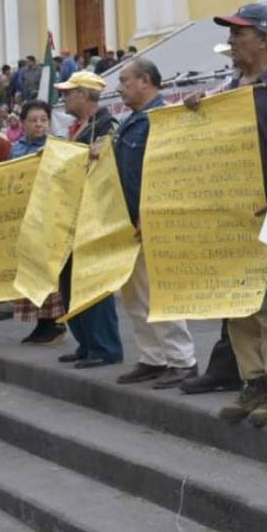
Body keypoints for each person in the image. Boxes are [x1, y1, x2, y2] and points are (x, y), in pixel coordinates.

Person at [186, 4, 267, 420]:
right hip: (232, 220)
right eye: (232, 33)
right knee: (238, 307)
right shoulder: (228, 93)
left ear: (265, 38)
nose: (233, 41)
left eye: (240, 33)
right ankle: (254, 385)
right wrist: (196, 114)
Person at [112, 57, 197, 387]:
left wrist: (151, 215)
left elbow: (169, 174)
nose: (119, 87)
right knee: (136, 298)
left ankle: (182, 361)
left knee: (160, 294)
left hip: (152, 222)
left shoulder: (162, 120)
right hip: (128, 223)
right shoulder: (132, 121)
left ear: (145, 81)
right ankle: (153, 357)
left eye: (125, 80)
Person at [53, 71, 123, 369]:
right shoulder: (78, 127)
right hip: (72, 216)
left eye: (69, 92)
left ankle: (105, 346)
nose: (65, 97)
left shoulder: (106, 125)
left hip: (93, 216)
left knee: (92, 283)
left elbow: (108, 165)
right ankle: (86, 342)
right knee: (69, 282)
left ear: (83, 94)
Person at [9, 99, 66, 344]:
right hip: (24, 216)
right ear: (23, 124)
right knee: (31, 270)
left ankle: (54, 323)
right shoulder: (16, 148)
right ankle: (41, 322)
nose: (39, 124)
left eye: (43, 120)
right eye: (33, 120)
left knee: (48, 272)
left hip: (49, 217)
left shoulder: (57, 147)